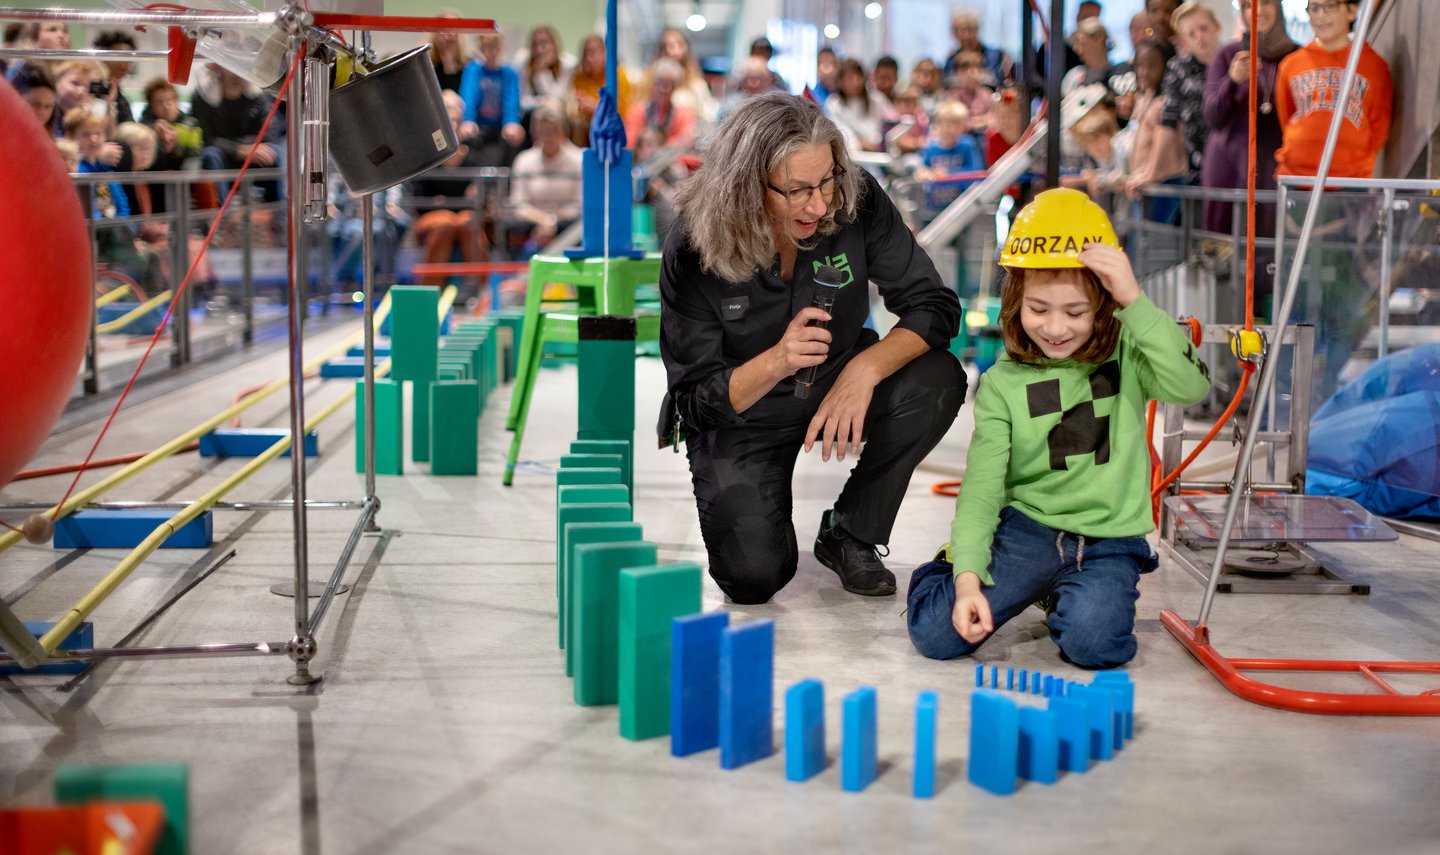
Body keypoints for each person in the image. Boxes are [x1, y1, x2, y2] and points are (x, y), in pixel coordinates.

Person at [659, 92, 965, 604]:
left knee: (937, 380)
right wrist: (779, 358)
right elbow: (694, 400)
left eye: (826, 181)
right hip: (743, 412)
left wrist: (864, 369)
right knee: (752, 578)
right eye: (797, 190)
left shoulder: (855, 198)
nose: (820, 205)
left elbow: (933, 304)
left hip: (837, 380)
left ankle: (851, 532)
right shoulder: (694, 245)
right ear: (747, 187)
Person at [905, 188, 1211, 667]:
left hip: (1111, 540)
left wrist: (1134, 298)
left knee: (1096, 646)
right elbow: (983, 488)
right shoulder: (1002, 383)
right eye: (1038, 308)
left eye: (1075, 312)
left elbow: (1192, 385)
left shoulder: (1130, 352)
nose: (1055, 328)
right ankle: (948, 568)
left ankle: (1059, 594)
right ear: (1015, 300)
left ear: (1105, 306)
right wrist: (966, 577)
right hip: (1029, 530)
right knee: (936, 635)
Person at [1201, 0, 1296, 235]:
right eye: (1248, 5)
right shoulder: (1228, 55)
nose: (1258, 11)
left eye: (1266, 3)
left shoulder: (1296, 56)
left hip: (1274, 170)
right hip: (1229, 170)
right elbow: (1212, 115)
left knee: (1270, 252)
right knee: (1223, 255)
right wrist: (1232, 81)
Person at [1274, 0, 1392, 180]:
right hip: (1296, 177)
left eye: (1330, 6)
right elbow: (1286, 116)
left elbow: (1379, 124)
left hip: (1352, 179)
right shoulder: (1290, 65)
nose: (1321, 15)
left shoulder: (1374, 66)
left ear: (1351, 11)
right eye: (1314, 8)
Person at [1134, 2, 1219, 200]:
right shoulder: (1178, 69)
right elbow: (1168, 124)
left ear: (1216, 26)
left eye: (1203, 28)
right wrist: (1151, 173)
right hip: (1196, 170)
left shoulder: (1233, 62)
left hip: (1232, 162)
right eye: (1191, 33)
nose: (1199, 37)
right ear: (1184, 38)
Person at [502, 105, 582, 259]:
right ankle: (515, 276)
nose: (548, 137)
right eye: (543, 132)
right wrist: (543, 221)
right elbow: (518, 203)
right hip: (532, 222)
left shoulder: (579, 160)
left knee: (581, 227)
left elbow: (579, 204)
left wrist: (552, 222)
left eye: (553, 132)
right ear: (535, 134)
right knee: (509, 226)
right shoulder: (524, 160)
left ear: (564, 132)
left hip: (565, 222)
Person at [459, 32, 525, 167]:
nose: (491, 51)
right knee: (467, 135)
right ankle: (471, 183)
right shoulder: (473, 70)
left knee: (513, 136)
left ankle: (508, 182)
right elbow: (468, 96)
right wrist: (468, 120)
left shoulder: (509, 72)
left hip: (500, 125)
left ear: (502, 47)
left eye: (495, 47)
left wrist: (511, 122)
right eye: (487, 47)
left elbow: (511, 101)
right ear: (480, 48)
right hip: (479, 124)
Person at [568, 33, 631, 148]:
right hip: (587, 124)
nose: (591, 58)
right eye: (587, 54)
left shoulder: (618, 75)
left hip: (613, 123)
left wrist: (597, 107)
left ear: (605, 53)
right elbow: (577, 106)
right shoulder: (579, 77)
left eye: (595, 53)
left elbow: (622, 110)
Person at [825, 58, 890, 153]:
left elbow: (892, 121)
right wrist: (860, 144)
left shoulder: (876, 99)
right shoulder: (834, 104)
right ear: (841, 81)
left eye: (858, 76)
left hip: (881, 152)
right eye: (850, 78)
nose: (856, 82)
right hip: (854, 155)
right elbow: (841, 132)